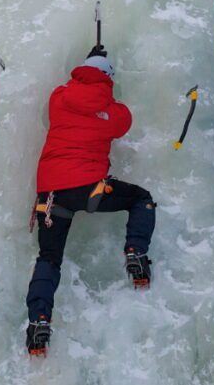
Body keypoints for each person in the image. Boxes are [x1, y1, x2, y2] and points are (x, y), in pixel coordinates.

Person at [24, 44, 157, 357]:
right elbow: (123, 121)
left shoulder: (59, 98)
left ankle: (38, 323)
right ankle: (136, 251)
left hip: (51, 194)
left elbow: (68, 91)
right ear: (108, 79)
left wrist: (90, 60)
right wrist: (106, 94)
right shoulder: (111, 111)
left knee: (48, 257)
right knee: (142, 199)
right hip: (91, 189)